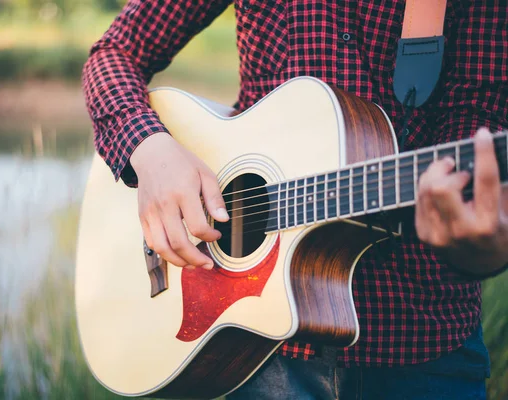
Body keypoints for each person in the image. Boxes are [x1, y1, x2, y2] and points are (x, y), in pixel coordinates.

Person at [82, 1, 507, 398]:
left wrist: (482, 246)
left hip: (423, 347)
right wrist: (150, 150)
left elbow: (481, 137)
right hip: (261, 349)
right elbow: (115, 52)